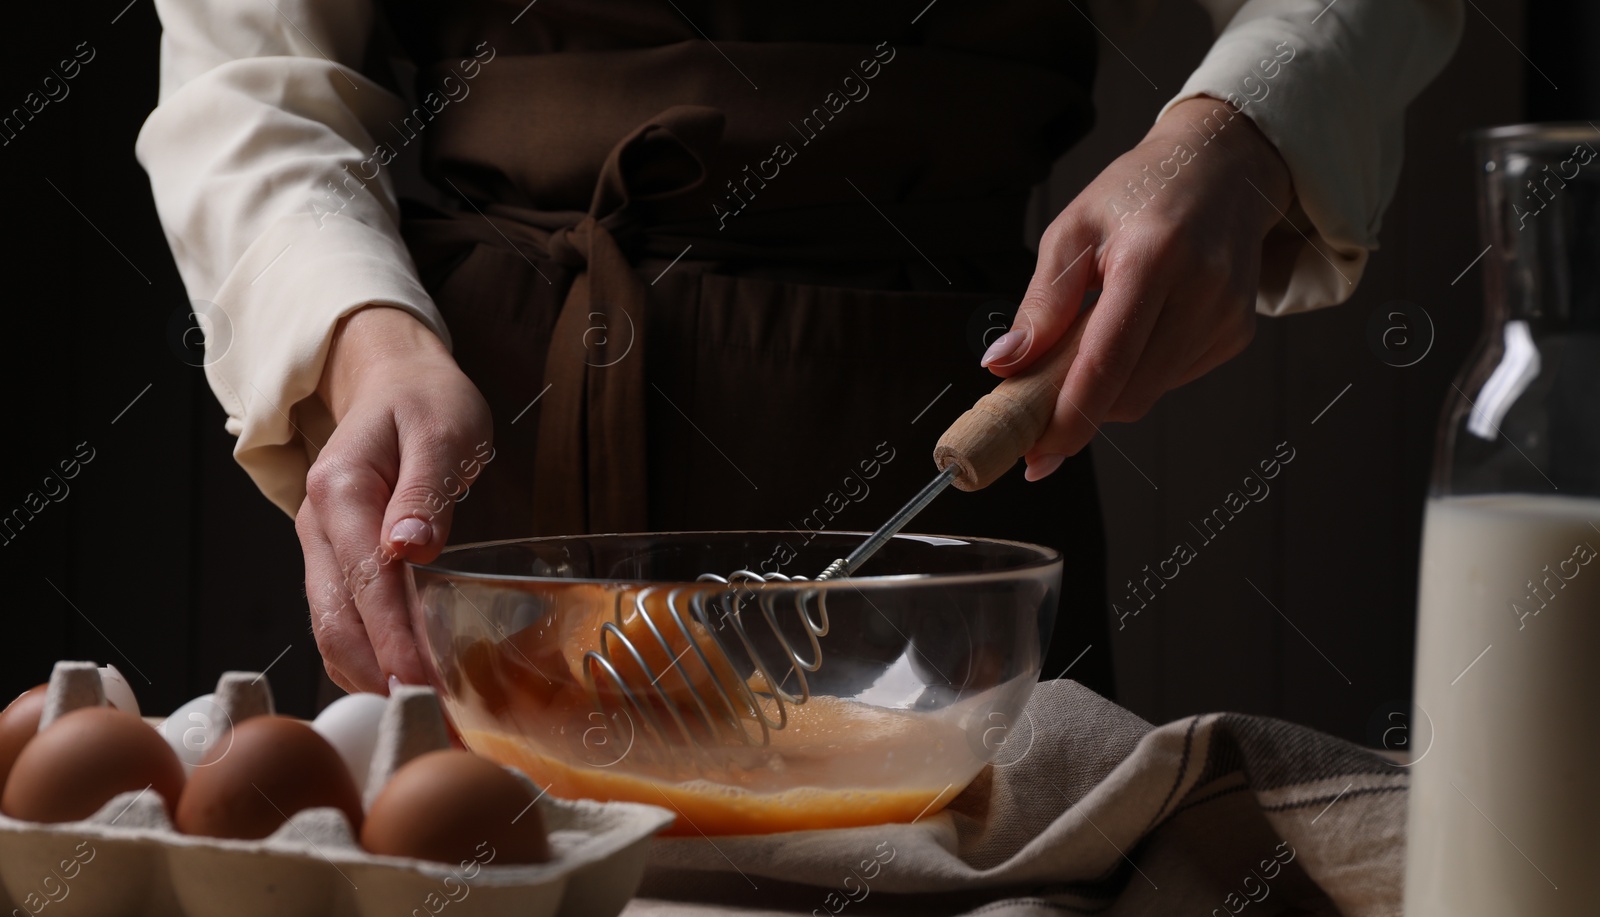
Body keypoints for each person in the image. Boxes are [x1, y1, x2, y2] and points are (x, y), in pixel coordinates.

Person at [136, 0, 1462, 698]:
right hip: (484, 506)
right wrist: (364, 344)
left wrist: (1236, 141)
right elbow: (244, 80)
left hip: (935, 500)